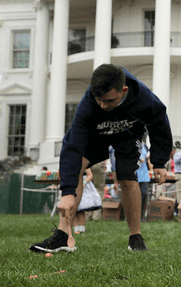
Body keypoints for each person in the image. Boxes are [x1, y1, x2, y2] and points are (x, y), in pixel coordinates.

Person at [30, 64, 172, 253]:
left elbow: (159, 123)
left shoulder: (143, 97)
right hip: (96, 135)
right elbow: (72, 147)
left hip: (128, 134)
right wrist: (67, 192)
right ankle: (63, 235)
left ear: (124, 91)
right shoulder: (88, 104)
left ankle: (135, 237)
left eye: (109, 100)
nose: (103, 106)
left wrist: (160, 162)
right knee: (78, 164)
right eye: (99, 100)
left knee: (126, 176)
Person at [136, 139, 151, 219]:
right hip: (134, 174)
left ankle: (142, 216)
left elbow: (146, 159)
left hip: (144, 175)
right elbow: (141, 159)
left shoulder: (144, 145)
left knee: (144, 194)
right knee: (135, 196)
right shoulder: (133, 144)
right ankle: (134, 216)